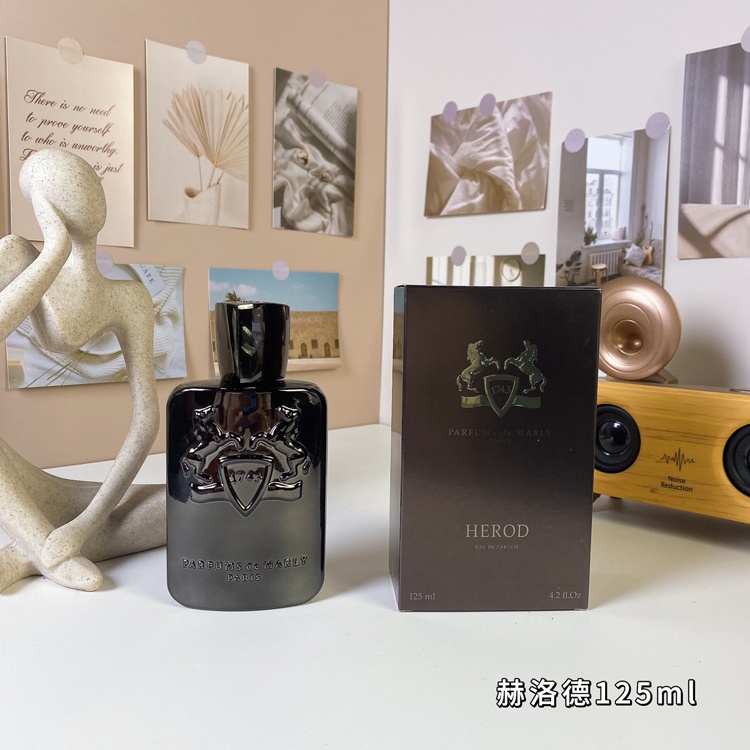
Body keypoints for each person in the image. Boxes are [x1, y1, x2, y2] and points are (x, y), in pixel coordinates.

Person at [0, 149, 163, 592]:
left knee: (186, 505)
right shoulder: (19, 255)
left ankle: (29, 552)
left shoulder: (129, 298)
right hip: (12, 476)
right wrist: (54, 250)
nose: (87, 191)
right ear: (42, 202)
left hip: (69, 502)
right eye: (66, 182)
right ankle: (45, 550)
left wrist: (85, 524)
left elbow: (146, 422)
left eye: (89, 180)